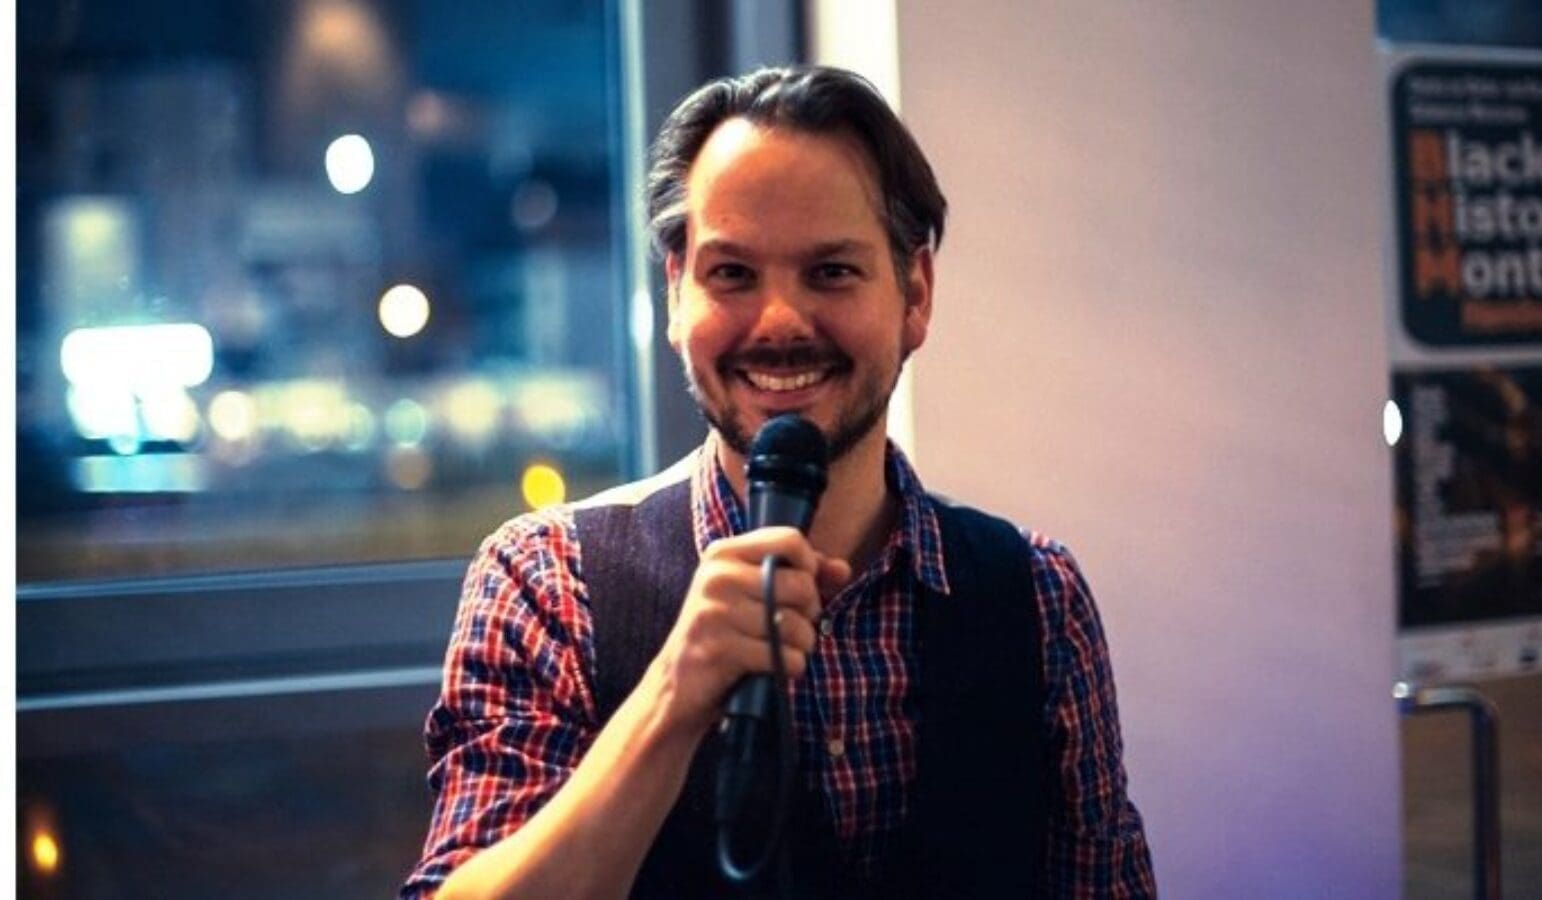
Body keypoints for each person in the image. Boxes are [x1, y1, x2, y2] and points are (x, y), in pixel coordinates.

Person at [402, 64, 1155, 899]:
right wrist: (671, 696)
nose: (781, 322)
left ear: (915, 293)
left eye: (831, 271)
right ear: (676, 294)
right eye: (732, 274)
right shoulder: (545, 582)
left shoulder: (1039, 598)